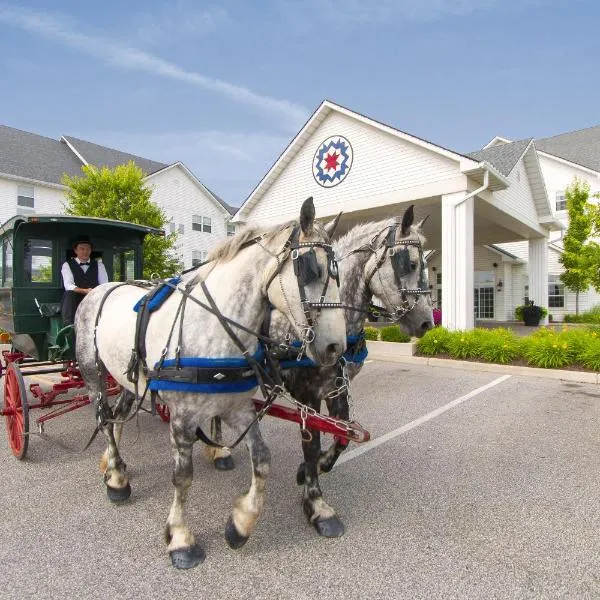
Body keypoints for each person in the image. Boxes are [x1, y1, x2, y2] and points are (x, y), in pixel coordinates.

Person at [61, 235, 108, 325]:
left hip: (94, 297)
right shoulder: (67, 265)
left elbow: (104, 284)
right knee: (69, 294)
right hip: (76, 299)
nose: (85, 251)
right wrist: (85, 291)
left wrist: (94, 292)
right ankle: (69, 326)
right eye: (82, 249)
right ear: (76, 250)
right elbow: (68, 285)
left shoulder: (99, 265)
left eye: (88, 249)